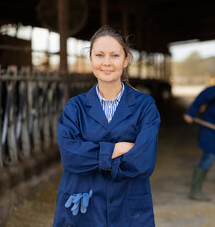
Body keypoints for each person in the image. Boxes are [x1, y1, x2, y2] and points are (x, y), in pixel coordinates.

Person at [53, 26, 161, 226]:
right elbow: (70, 157)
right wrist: (116, 150)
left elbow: (143, 162)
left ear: (126, 59)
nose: (107, 62)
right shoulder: (75, 107)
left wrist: (92, 157)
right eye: (100, 55)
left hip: (128, 208)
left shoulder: (145, 106)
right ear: (91, 59)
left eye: (115, 55)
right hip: (83, 206)